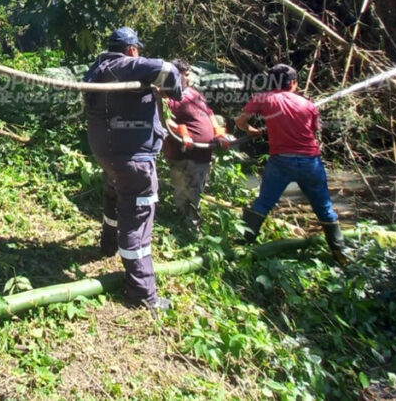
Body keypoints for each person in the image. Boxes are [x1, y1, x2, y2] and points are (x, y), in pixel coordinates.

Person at [83, 27, 183, 311]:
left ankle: (107, 244)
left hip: (110, 154)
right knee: (137, 218)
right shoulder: (124, 65)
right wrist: (173, 88)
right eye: (137, 50)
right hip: (133, 160)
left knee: (115, 195)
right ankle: (141, 293)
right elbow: (166, 69)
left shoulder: (98, 69)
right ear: (131, 50)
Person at [234, 64, 350, 265]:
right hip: (310, 162)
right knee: (324, 208)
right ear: (294, 83)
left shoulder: (263, 98)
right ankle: (340, 252)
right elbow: (313, 130)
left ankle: (242, 246)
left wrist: (252, 130)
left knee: (263, 203)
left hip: (280, 161)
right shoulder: (308, 104)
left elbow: (240, 122)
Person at [161, 59, 231, 241]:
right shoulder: (165, 96)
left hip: (203, 152)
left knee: (196, 189)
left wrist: (219, 133)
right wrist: (181, 131)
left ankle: (187, 223)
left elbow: (209, 114)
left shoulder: (194, 94)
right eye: (184, 75)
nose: (188, 77)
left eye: (188, 73)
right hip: (182, 153)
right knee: (184, 189)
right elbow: (164, 120)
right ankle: (188, 228)